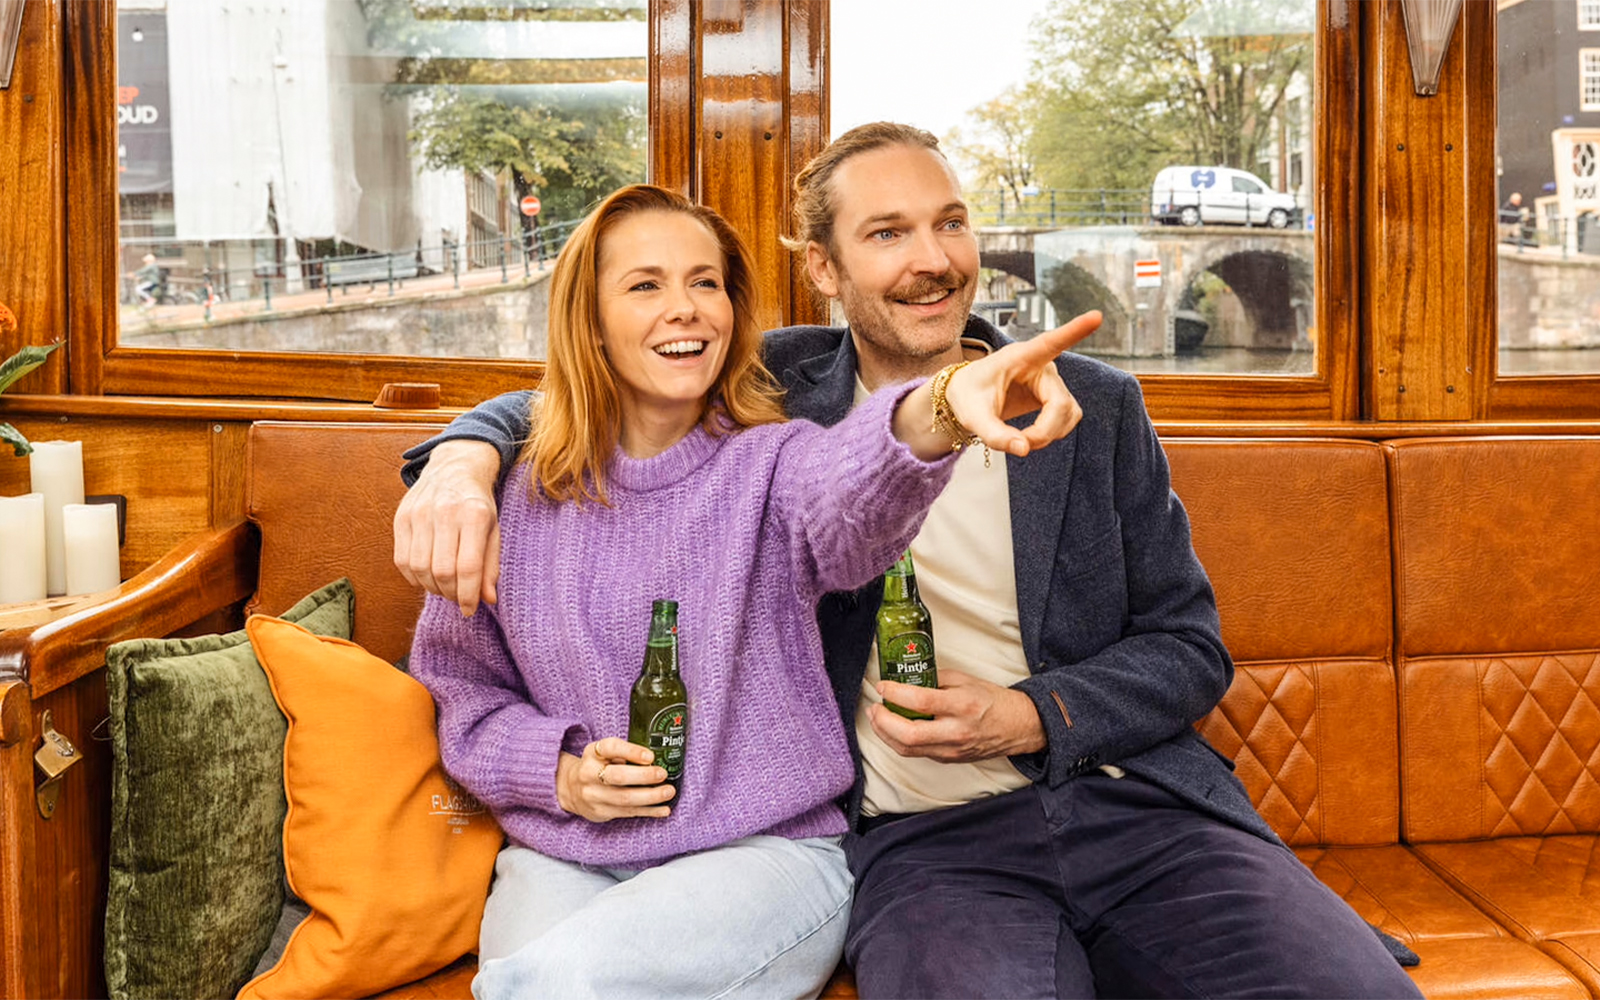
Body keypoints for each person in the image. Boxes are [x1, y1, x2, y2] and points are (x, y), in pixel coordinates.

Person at [396, 125, 1423, 999]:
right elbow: (595, 387)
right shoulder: (769, 398)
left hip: (1134, 809)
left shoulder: (1092, 406)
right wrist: (462, 456)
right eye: (887, 234)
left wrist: (1034, 712)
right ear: (826, 270)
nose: (932, 258)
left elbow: (1189, 648)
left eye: (949, 222)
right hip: (925, 846)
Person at [405, 182, 1096, 1000]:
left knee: (551, 986)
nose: (688, 309)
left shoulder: (775, 463)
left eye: (707, 283)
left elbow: (851, 499)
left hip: (764, 858)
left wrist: (941, 406)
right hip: (568, 849)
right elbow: (465, 697)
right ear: (587, 321)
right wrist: (555, 773)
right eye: (645, 285)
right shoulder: (511, 495)